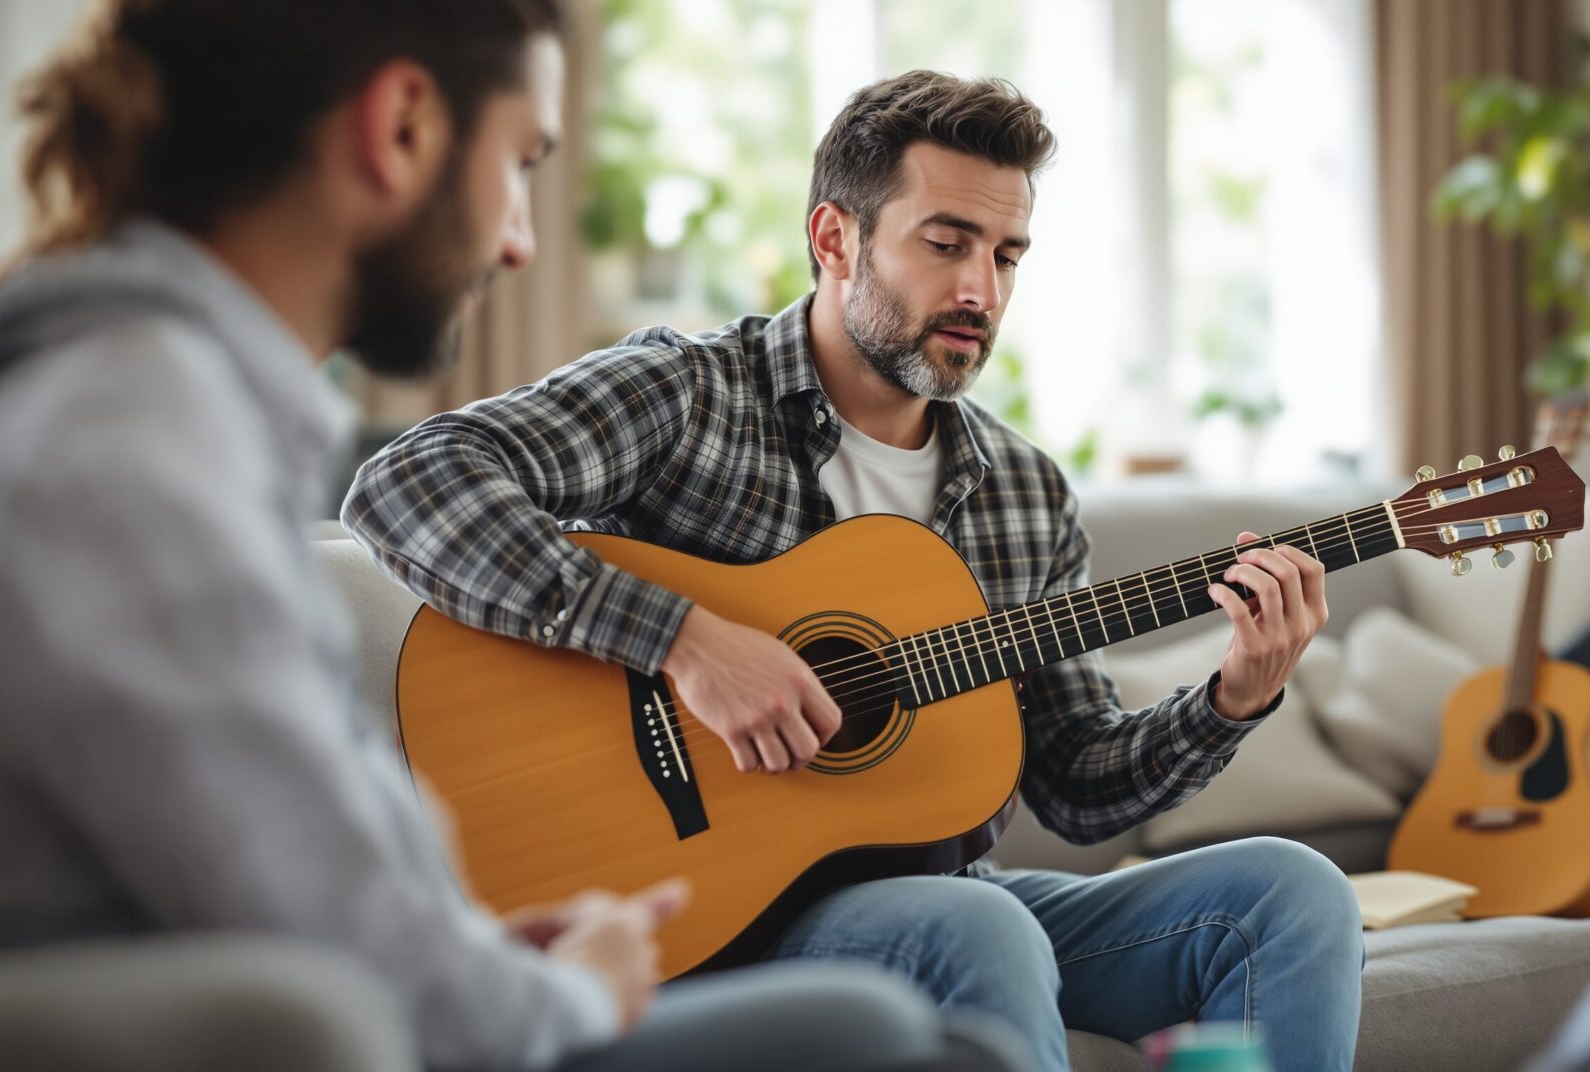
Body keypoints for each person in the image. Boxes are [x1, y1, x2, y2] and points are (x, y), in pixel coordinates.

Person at [0, 4, 1023, 1070]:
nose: (520, 241)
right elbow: (359, 959)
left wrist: (482, 943)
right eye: (522, 162)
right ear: (400, 130)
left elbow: (310, 881)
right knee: (891, 1036)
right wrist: (572, 984)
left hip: (387, 992)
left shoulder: (153, 411)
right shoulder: (126, 446)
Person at [343, 69, 1365, 1072]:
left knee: (1292, 891)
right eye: (946, 242)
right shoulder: (689, 394)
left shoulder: (1024, 490)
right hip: (707, 910)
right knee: (976, 926)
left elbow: (1077, 784)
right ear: (835, 239)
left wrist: (1234, 699)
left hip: (940, 900)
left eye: (1008, 254)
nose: (981, 289)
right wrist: (684, 640)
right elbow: (408, 484)